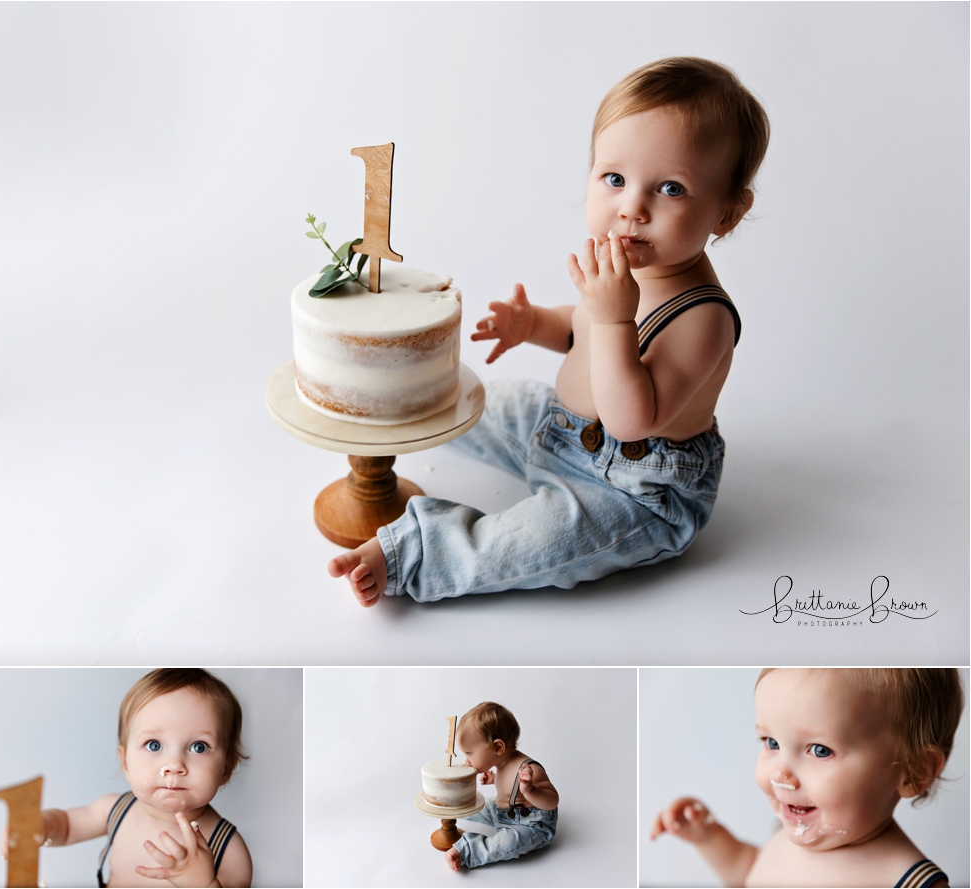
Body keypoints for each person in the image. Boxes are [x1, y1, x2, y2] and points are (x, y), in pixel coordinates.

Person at [330, 56, 769, 605]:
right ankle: (388, 396)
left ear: (726, 212)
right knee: (463, 398)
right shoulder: (625, 269)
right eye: (615, 178)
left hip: (633, 490)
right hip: (561, 429)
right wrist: (534, 323)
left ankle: (409, 551)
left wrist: (613, 316)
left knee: (527, 544)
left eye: (671, 189)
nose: (631, 208)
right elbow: (578, 331)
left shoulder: (704, 318)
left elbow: (633, 420)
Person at [650, 669, 963, 888]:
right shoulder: (790, 828)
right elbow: (752, 875)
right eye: (771, 743)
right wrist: (709, 838)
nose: (781, 774)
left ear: (914, 771)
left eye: (820, 750)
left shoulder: (908, 881)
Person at [2, 669, 252, 888]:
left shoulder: (229, 850)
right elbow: (65, 827)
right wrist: (41, 825)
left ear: (226, 769)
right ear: (125, 763)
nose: (174, 766)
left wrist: (204, 883)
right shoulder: (116, 810)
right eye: (154, 745)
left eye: (199, 747)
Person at [444, 701, 558, 871]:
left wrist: (531, 790)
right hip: (501, 811)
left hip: (530, 824)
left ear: (498, 747)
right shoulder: (501, 762)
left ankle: (467, 849)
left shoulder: (530, 770)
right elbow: (508, 783)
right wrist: (494, 779)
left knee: (507, 843)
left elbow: (552, 800)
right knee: (476, 805)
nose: (467, 760)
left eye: (469, 752)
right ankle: (453, 807)